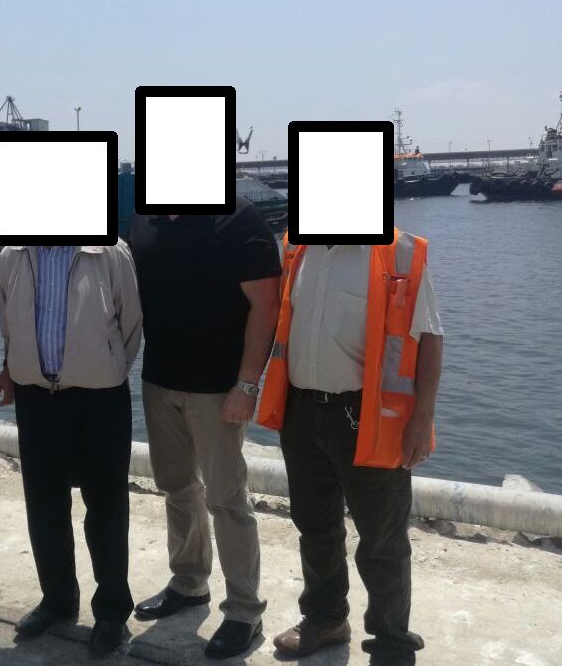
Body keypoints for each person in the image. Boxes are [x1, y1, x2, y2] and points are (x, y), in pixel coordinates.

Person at [256, 232, 443, 666]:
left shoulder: (399, 252)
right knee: (315, 527)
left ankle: (392, 643)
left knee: (382, 539)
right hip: (302, 412)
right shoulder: (295, 250)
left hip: (370, 416)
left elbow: (430, 337)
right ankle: (325, 619)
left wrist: (423, 417)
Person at [126, 200, 281, 659]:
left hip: (218, 389)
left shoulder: (238, 220)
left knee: (227, 499)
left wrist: (247, 385)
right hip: (159, 381)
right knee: (176, 487)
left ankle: (244, 612)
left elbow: (266, 305)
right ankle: (190, 582)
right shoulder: (143, 223)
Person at [0, 241, 142, 656]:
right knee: (43, 504)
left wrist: (103, 368)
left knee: (107, 506)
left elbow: (130, 324)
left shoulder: (110, 252)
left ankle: (111, 609)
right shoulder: (11, 256)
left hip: (100, 397)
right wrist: (17, 365)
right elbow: (7, 322)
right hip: (35, 396)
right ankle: (58, 599)